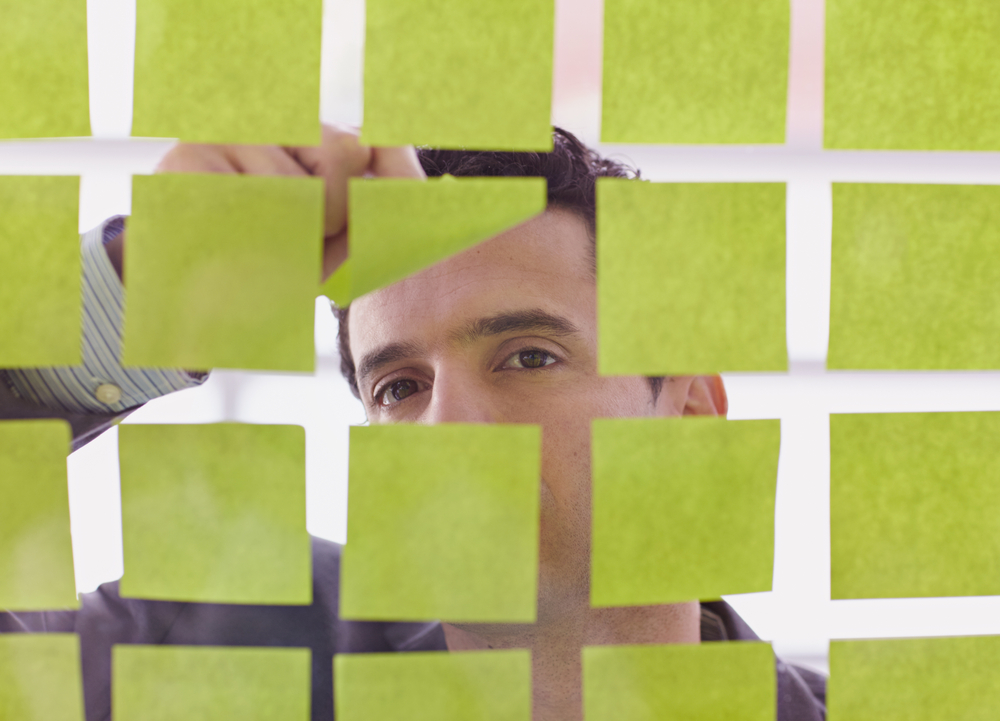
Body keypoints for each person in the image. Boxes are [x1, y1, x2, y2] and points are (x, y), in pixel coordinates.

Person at [0, 126, 825, 721]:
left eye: (529, 357)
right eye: (399, 387)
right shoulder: (215, 650)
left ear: (691, 413)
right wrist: (133, 290)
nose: (446, 432)